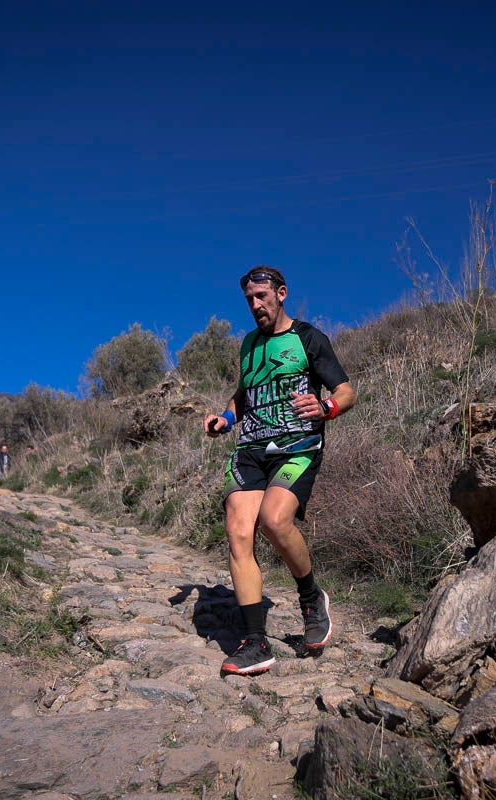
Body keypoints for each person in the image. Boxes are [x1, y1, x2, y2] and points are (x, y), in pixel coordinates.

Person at [204, 266, 356, 676]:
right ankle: (255, 643)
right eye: (249, 300)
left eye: (261, 297)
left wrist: (326, 408)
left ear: (282, 294)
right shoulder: (249, 344)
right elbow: (244, 393)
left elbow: (346, 391)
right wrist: (225, 417)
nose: (255, 306)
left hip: (297, 447)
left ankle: (310, 597)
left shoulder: (308, 339)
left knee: (274, 520)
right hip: (251, 449)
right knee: (238, 531)